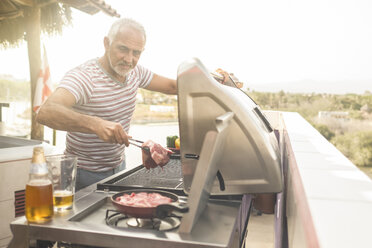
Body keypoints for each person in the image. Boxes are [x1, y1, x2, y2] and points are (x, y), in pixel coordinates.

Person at [36, 18, 177, 191]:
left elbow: (172, 86)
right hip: (82, 173)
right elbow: (46, 112)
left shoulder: (136, 72)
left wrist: (212, 78)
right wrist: (95, 124)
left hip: (119, 167)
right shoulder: (84, 77)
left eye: (136, 53)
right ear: (106, 43)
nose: (129, 59)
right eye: (123, 49)